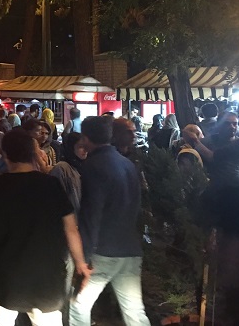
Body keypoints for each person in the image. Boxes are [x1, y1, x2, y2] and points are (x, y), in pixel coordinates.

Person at [0, 129, 90, 324]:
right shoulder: (52, 185)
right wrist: (80, 264)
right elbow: (71, 229)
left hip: (7, 280)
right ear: (33, 154)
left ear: (5, 155)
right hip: (47, 280)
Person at [70, 116, 151, 326]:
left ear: (85, 138)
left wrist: (84, 257)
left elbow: (91, 212)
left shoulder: (93, 166)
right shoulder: (127, 164)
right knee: (134, 310)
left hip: (103, 250)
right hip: (129, 247)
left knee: (78, 305)